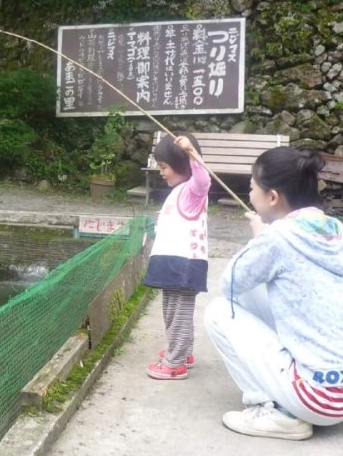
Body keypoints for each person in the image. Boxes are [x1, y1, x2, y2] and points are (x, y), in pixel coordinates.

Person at [205, 146, 343, 440]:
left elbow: (229, 283)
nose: (249, 194)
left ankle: (278, 414)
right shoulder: (334, 229)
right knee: (251, 291)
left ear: (272, 197)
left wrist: (262, 237)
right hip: (338, 392)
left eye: (252, 187)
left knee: (218, 311)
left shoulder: (277, 238)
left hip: (318, 398)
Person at [143, 131, 211, 380]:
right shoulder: (180, 190)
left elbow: (204, 181)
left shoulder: (194, 190)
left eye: (164, 167)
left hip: (184, 262)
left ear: (183, 164)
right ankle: (183, 352)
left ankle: (175, 364)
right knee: (172, 309)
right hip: (173, 261)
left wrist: (192, 152)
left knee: (178, 312)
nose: (161, 172)